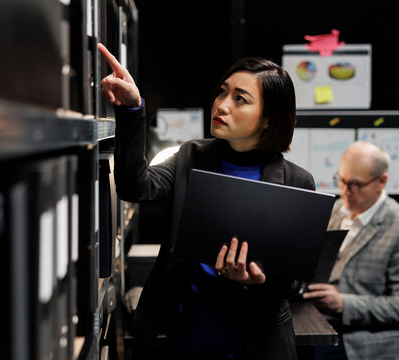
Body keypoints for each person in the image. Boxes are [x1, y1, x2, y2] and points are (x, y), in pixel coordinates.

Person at [98, 42, 315, 360]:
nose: (222, 105)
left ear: (269, 118)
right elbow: (137, 189)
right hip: (187, 337)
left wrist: (254, 282)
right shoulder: (190, 156)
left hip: (256, 344)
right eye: (222, 92)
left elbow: (294, 282)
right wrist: (132, 110)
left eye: (240, 99)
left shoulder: (297, 182)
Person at [302, 141, 399, 360]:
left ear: (381, 182)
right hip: (314, 329)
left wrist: (344, 303)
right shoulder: (332, 211)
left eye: (355, 185)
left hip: (360, 344)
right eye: (341, 180)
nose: (345, 191)